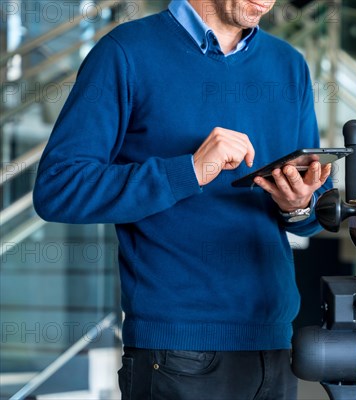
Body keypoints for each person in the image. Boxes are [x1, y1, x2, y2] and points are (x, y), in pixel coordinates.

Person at [32, 0, 332, 398]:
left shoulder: (289, 64)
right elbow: (58, 188)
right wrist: (188, 171)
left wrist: (299, 205)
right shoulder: (125, 53)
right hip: (176, 351)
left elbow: (315, 210)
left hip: (274, 343)